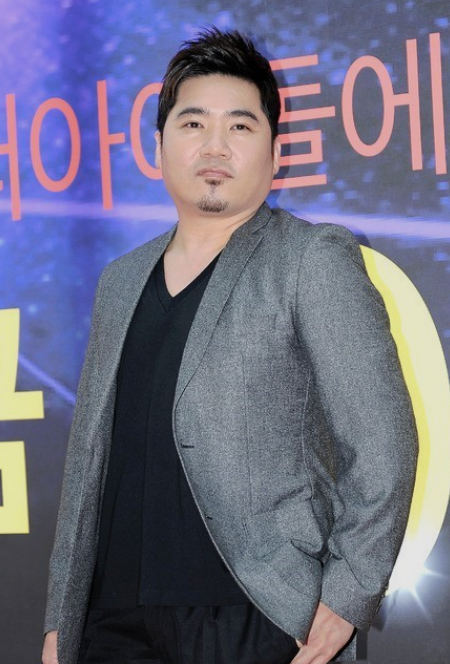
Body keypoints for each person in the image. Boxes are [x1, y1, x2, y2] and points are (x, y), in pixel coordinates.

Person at [42, 28, 418, 664]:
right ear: (159, 145)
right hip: (113, 625)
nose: (214, 146)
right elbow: (87, 465)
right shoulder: (120, 281)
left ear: (275, 152)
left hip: (255, 619)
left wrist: (346, 596)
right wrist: (61, 622)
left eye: (240, 126)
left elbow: (384, 441)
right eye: (193, 123)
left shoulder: (311, 260)